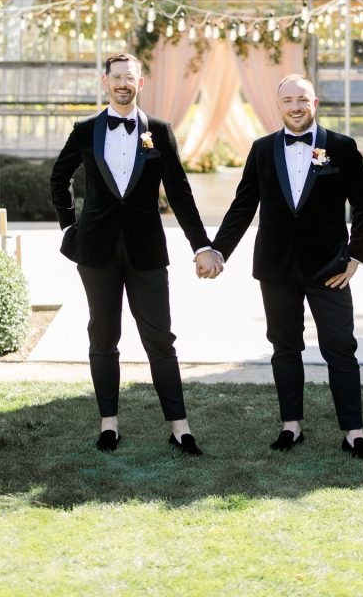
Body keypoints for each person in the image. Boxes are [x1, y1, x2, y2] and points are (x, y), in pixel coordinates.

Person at [50, 52, 223, 456]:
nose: (124, 83)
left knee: (160, 339)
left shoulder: (159, 131)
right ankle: (108, 423)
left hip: (147, 251)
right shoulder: (85, 129)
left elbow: (180, 192)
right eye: (118, 77)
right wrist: (68, 228)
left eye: (131, 77)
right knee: (104, 335)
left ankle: (179, 427)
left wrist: (201, 245)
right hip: (96, 251)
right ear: (105, 82)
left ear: (140, 83)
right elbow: (60, 178)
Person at [211, 73, 363, 459]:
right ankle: (292, 427)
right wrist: (218, 251)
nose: (296, 107)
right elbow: (242, 206)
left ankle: (354, 432)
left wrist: (356, 256)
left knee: (340, 348)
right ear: (278, 106)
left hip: (330, 269)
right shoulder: (261, 149)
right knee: (284, 348)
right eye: (288, 101)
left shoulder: (342, 146)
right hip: (276, 267)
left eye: (302, 100)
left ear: (315, 103)